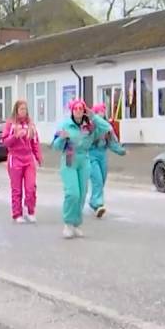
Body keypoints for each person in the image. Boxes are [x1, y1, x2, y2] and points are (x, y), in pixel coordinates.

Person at [53, 99, 107, 239]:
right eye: (75, 108)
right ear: (71, 110)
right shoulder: (65, 125)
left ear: (84, 110)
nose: (78, 110)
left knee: (82, 194)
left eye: (80, 108)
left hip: (84, 159)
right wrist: (62, 139)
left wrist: (93, 115)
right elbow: (55, 145)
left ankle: (76, 224)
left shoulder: (89, 125)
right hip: (70, 158)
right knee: (73, 193)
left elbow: (107, 128)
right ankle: (68, 223)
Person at [2, 100, 42, 223]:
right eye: (21, 109)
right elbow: (5, 142)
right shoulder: (11, 124)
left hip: (28, 158)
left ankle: (30, 210)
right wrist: (15, 136)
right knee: (16, 188)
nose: (23, 111)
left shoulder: (31, 125)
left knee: (31, 187)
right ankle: (17, 213)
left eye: (25, 109)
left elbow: (35, 142)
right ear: (16, 110)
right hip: (15, 158)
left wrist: (38, 156)